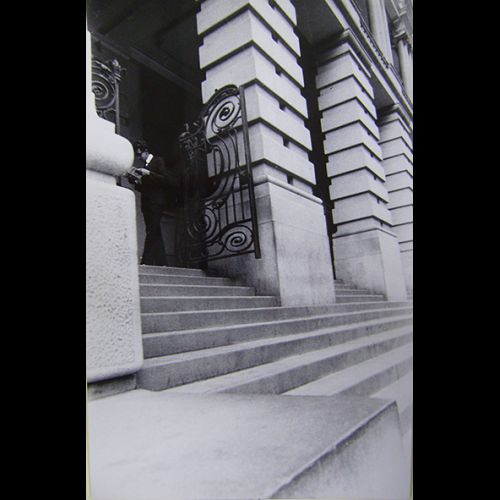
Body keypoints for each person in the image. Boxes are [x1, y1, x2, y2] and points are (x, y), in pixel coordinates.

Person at [127, 140, 181, 266]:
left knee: (152, 231)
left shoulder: (158, 161)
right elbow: (146, 187)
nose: (139, 157)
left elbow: (166, 180)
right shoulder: (145, 166)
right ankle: (163, 262)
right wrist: (135, 181)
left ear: (145, 151)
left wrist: (149, 173)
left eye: (140, 154)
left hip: (156, 202)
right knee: (154, 231)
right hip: (147, 203)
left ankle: (146, 261)